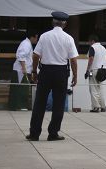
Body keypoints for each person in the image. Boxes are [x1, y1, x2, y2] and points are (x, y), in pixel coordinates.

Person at [27, 11, 79, 141]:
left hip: (45, 71)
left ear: (53, 22)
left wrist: (34, 71)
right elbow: (73, 60)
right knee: (58, 104)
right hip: (61, 73)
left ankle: (34, 133)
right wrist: (75, 75)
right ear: (65, 24)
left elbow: (35, 56)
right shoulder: (68, 38)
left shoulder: (44, 36)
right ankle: (53, 133)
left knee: (40, 103)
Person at [9, 30, 38, 110]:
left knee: (23, 88)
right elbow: (21, 56)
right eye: (36, 38)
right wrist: (24, 68)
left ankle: (19, 106)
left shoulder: (27, 43)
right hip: (21, 70)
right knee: (21, 89)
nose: (37, 40)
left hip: (24, 69)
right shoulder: (25, 44)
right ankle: (19, 106)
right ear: (33, 37)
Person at [86, 34, 106, 113]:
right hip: (103, 70)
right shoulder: (103, 48)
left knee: (93, 88)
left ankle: (96, 107)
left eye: (89, 41)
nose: (89, 43)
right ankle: (103, 106)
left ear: (92, 41)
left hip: (93, 70)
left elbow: (91, 59)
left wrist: (87, 70)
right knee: (100, 88)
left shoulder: (93, 47)